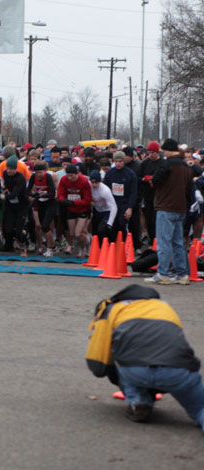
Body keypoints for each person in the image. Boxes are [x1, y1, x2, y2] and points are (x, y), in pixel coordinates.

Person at [86, 284, 204, 429]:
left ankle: (139, 402)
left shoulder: (112, 309)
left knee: (118, 351)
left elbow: (98, 361)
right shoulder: (164, 307)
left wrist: (112, 374)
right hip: (178, 370)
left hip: (135, 370)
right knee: (200, 409)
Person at [145, 138, 194, 285]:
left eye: (164, 150)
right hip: (181, 208)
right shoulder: (186, 167)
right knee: (178, 242)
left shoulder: (166, 164)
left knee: (164, 242)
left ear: (168, 150)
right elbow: (189, 189)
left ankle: (162, 273)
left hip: (166, 207)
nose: (163, 153)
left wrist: (151, 180)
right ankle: (182, 274)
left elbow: (156, 180)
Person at [57, 164, 92, 258]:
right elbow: (60, 193)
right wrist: (62, 200)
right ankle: (87, 240)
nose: (70, 177)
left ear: (77, 174)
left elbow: (88, 200)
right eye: (68, 175)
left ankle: (83, 248)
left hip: (83, 209)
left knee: (78, 233)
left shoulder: (84, 181)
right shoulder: (64, 179)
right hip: (71, 209)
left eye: (72, 175)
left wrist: (74, 202)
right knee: (72, 233)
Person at [104, 151, 138, 240]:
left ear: (124, 161)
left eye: (120, 161)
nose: (118, 164)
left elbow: (133, 192)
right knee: (112, 224)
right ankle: (114, 246)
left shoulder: (130, 174)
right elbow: (106, 190)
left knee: (122, 224)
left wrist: (130, 207)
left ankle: (125, 245)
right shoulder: (110, 173)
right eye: (116, 161)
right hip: (113, 203)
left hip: (124, 203)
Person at [0, 155, 29, 257]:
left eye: (11, 169)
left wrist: (4, 196)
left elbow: (15, 193)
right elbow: (6, 187)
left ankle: (24, 246)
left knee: (18, 229)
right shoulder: (5, 174)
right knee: (7, 228)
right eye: (7, 168)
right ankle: (9, 245)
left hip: (21, 205)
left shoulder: (20, 178)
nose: (9, 171)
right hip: (10, 205)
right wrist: (3, 190)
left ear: (16, 168)